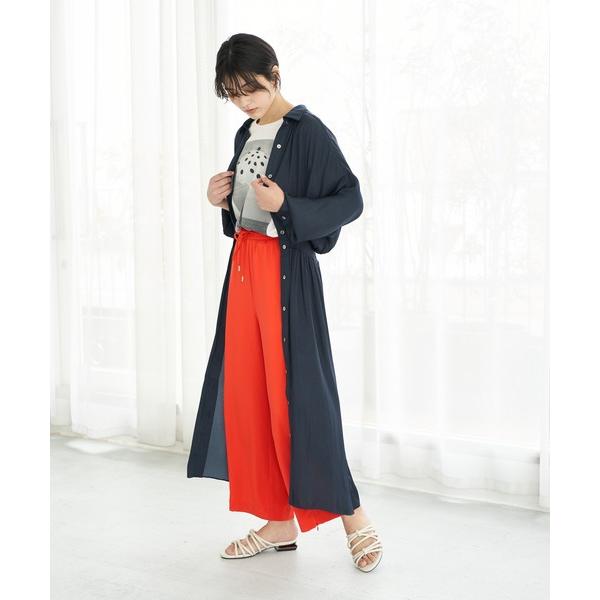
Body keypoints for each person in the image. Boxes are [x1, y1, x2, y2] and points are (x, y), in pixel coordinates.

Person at [188, 32, 383, 572]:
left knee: (303, 400)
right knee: (252, 396)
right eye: (233, 93)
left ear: (274, 74)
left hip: (285, 278)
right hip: (245, 272)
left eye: (250, 88)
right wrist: (221, 200)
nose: (244, 101)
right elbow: (250, 212)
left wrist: (288, 206)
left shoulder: (308, 130)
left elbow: (350, 199)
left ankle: (355, 518)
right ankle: (277, 521)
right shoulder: (247, 132)